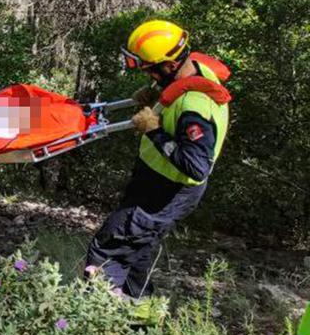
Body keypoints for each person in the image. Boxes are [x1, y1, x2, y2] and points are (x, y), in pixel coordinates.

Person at [85, 20, 231, 299]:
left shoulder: (195, 108)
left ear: (170, 65)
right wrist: (156, 96)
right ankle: (138, 310)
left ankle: (100, 316)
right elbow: (175, 94)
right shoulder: (192, 68)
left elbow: (196, 166)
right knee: (140, 246)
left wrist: (154, 131)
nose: (148, 74)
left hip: (167, 191)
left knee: (109, 248)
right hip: (154, 180)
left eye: (150, 69)